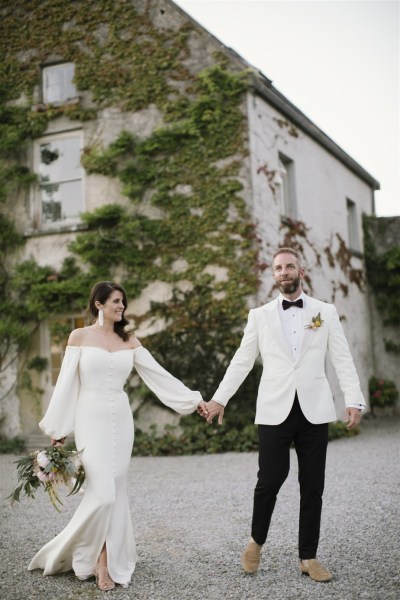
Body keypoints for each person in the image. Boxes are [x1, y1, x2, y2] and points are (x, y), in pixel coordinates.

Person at [28, 281, 206, 591]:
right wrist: (59, 431)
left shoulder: (129, 340)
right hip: (89, 418)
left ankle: (105, 559)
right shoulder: (79, 337)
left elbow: (159, 375)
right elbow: (66, 384)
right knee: (103, 493)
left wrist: (194, 401)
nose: (121, 306)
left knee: (115, 490)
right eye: (114, 301)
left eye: (122, 301)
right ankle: (98, 561)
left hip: (121, 420)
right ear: (98, 304)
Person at [203, 247, 365, 582]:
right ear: (274, 275)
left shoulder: (325, 312)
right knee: (270, 479)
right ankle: (255, 542)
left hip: (314, 410)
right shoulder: (259, 316)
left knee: (313, 485)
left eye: (289, 266)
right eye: (278, 268)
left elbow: (342, 357)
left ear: (300, 271)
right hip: (274, 409)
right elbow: (242, 361)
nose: (284, 272)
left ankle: (308, 557)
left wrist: (354, 399)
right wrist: (220, 399)